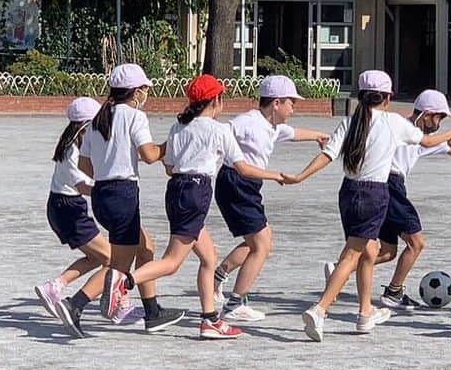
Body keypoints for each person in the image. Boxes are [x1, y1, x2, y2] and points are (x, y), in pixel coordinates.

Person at [103, 75, 285, 340]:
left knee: (209, 257)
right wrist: (278, 175)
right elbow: (242, 168)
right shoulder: (219, 130)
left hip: (176, 190)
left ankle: (210, 320)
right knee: (172, 261)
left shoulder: (179, 127)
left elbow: (168, 165)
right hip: (197, 192)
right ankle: (125, 282)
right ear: (216, 101)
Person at [282, 71, 451, 342]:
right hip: (374, 193)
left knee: (369, 251)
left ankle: (365, 313)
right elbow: (428, 141)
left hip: (347, 191)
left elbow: (327, 154)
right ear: (388, 97)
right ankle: (320, 309)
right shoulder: (392, 122)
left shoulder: (351, 121)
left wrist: (300, 176)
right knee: (353, 254)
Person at [55, 63, 184, 337]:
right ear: (136, 92)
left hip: (101, 194)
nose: (147, 93)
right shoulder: (135, 117)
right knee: (118, 267)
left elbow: (87, 166)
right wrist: (173, 145)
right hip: (123, 194)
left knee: (145, 246)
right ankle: (74, 304)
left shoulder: (99, 119)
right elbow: (149, 155)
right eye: (145, 89)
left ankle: (152, 310)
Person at [212, 74, 329, 323]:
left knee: (258, 242)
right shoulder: (249, 121)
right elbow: (222, 131)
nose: (294, 108)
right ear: (276, 103)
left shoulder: (273, 127)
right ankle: (235, 304)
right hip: (236, 183)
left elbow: (293, 133)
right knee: (262, 244)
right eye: (291, 102)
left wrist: (318, 135)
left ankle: (219, 276)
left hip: (247, 186)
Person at [371, 89, 451, 310]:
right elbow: (432, 142)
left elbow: (445, 148)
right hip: (391, 186)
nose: (440, 122)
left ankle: (340, 268)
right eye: (439, 116)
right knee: (417, 243)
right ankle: (394, 292)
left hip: (386, 187)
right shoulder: (408, 129)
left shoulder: (421, 135)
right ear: (426, 113)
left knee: (387, 252)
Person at [35, 97, 139, 327]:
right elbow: (82, 185)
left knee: (98, 257)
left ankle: (56, 286)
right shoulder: (75, 148)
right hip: (69, 209)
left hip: (62, 206)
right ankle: (111, 306)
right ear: (86, 125)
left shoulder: (71, 142)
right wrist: (111, 193)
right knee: (113, 258)